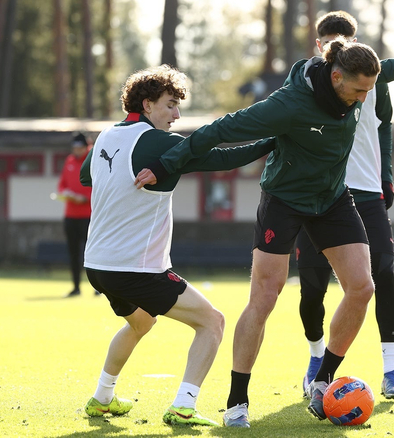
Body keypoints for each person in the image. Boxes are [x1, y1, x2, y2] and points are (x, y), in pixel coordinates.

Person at [135, 40, 394, 428]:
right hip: (284, 200)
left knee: (362, 287)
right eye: (359, 90)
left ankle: (322, 380)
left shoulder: (358, 87)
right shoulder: (289, 104)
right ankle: (237, 401)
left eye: (369, 90)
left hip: (332, 199)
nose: (364, 98)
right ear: (337, 76)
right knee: (265, 296)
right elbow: (222, 129)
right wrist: (167, 164)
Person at [79, 65, 275, 427]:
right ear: (147, 104)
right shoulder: (159, 142)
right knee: (213, 322)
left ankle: (102, 398)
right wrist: (275, 140)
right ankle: (184, 405)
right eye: (170, 105)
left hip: (96, 265)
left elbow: (84, 175)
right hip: (135, 269)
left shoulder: (106, 134)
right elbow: (226, 158)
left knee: (141, 323)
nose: (177, 114)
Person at [296, 10, 394, 403]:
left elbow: (385, 125)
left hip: (365, 193)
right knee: (312, 287)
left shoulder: (372, 79)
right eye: (329, 44)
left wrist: (386, 175)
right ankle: (316, 358)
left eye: (344, 43)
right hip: (317, 196)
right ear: (319, 46)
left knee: (383, 273)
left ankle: (391, 370)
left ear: (355, 43)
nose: (336, 49)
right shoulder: (307, 78)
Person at [57, 132, 95, 297]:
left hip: (88, 215)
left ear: (86, 146)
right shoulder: (70, 160)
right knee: (73, 253)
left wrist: (85, 198)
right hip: (71, 215)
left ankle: (97, 287)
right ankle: (76, 287)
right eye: (74, 147)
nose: (76, 150)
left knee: (92, 253)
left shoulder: (94, 160)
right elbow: (62, 184)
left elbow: (100, 186)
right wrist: (65, 193)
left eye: (79, 147)